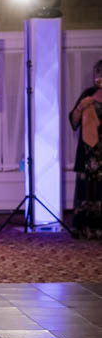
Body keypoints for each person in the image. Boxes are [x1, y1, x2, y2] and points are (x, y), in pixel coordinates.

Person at [69, 59, 102, 239]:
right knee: (87, 192)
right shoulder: (88, 94)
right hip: (89, 154)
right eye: (98, 74)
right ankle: (85, 229)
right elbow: (73, 121)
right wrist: (82, 106)